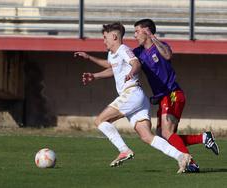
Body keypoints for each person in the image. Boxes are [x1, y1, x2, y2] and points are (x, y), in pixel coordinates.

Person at [74, 22, 191, 173]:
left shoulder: (124, 49)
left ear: (114, 36)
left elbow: (135, 63)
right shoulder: (113, 54)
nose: (103, 41)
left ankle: (124, 150)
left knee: (99, 120)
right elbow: (112, 67)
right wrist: (93, 70)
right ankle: (181, 156)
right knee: (147, 136)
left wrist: (132, 72)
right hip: (137, 99)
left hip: (131, 93)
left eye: (105, 37)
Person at [132, 18, 219, 172]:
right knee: (163, 136)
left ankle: (190, 162)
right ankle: (203, 138)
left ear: (146, 31)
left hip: (172, 94)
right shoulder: (137, 52)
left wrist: (152, 37)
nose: (134, 35)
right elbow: (123, 61)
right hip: (163, 98)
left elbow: (168, 56)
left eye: (137, 31)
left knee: (167, 133)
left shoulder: (160, 46)